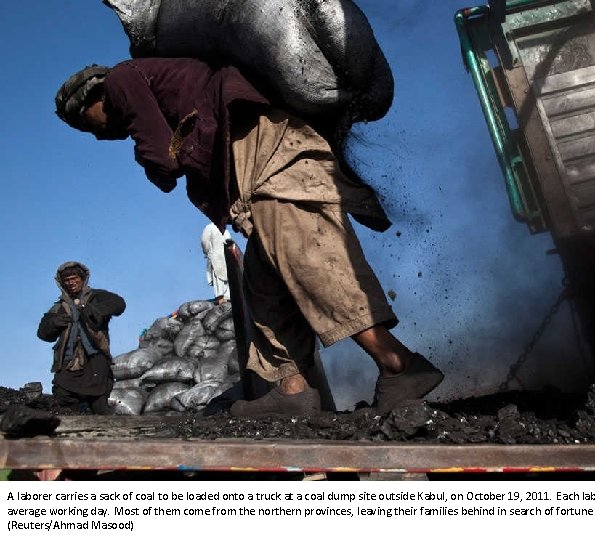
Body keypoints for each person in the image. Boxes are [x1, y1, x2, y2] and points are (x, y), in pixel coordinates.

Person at [54, 58, 443, 416]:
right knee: (262, 289)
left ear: (93, 96)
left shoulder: (122, 80)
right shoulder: (153, 84)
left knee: (308, 260)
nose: (97, 135)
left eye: (88, 124)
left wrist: (153, 164)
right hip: (257, 167)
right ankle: (292, 389)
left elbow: (162, 157)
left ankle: (398, 365)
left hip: (270, 154)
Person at [37, 262, 126, 414]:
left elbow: (119, 305)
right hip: (69, 361)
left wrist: (94, 311)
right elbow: (43, 333)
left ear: (83, 279)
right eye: (67, 280)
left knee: (98, 400)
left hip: (95, 358)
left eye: (74, 278)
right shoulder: (59, 307)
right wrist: (54, 323)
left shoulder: (96, 297)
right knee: (63, 395)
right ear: (62, 283)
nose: (71, 283)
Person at [200, 222, 232, 304]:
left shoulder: (226, 231)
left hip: (225, 257)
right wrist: (208, 252)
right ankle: (220, 297)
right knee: (218, 276)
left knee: (227, 276)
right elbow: (204, 241)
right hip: (215, 255)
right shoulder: (210, 227)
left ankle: (227, 296)